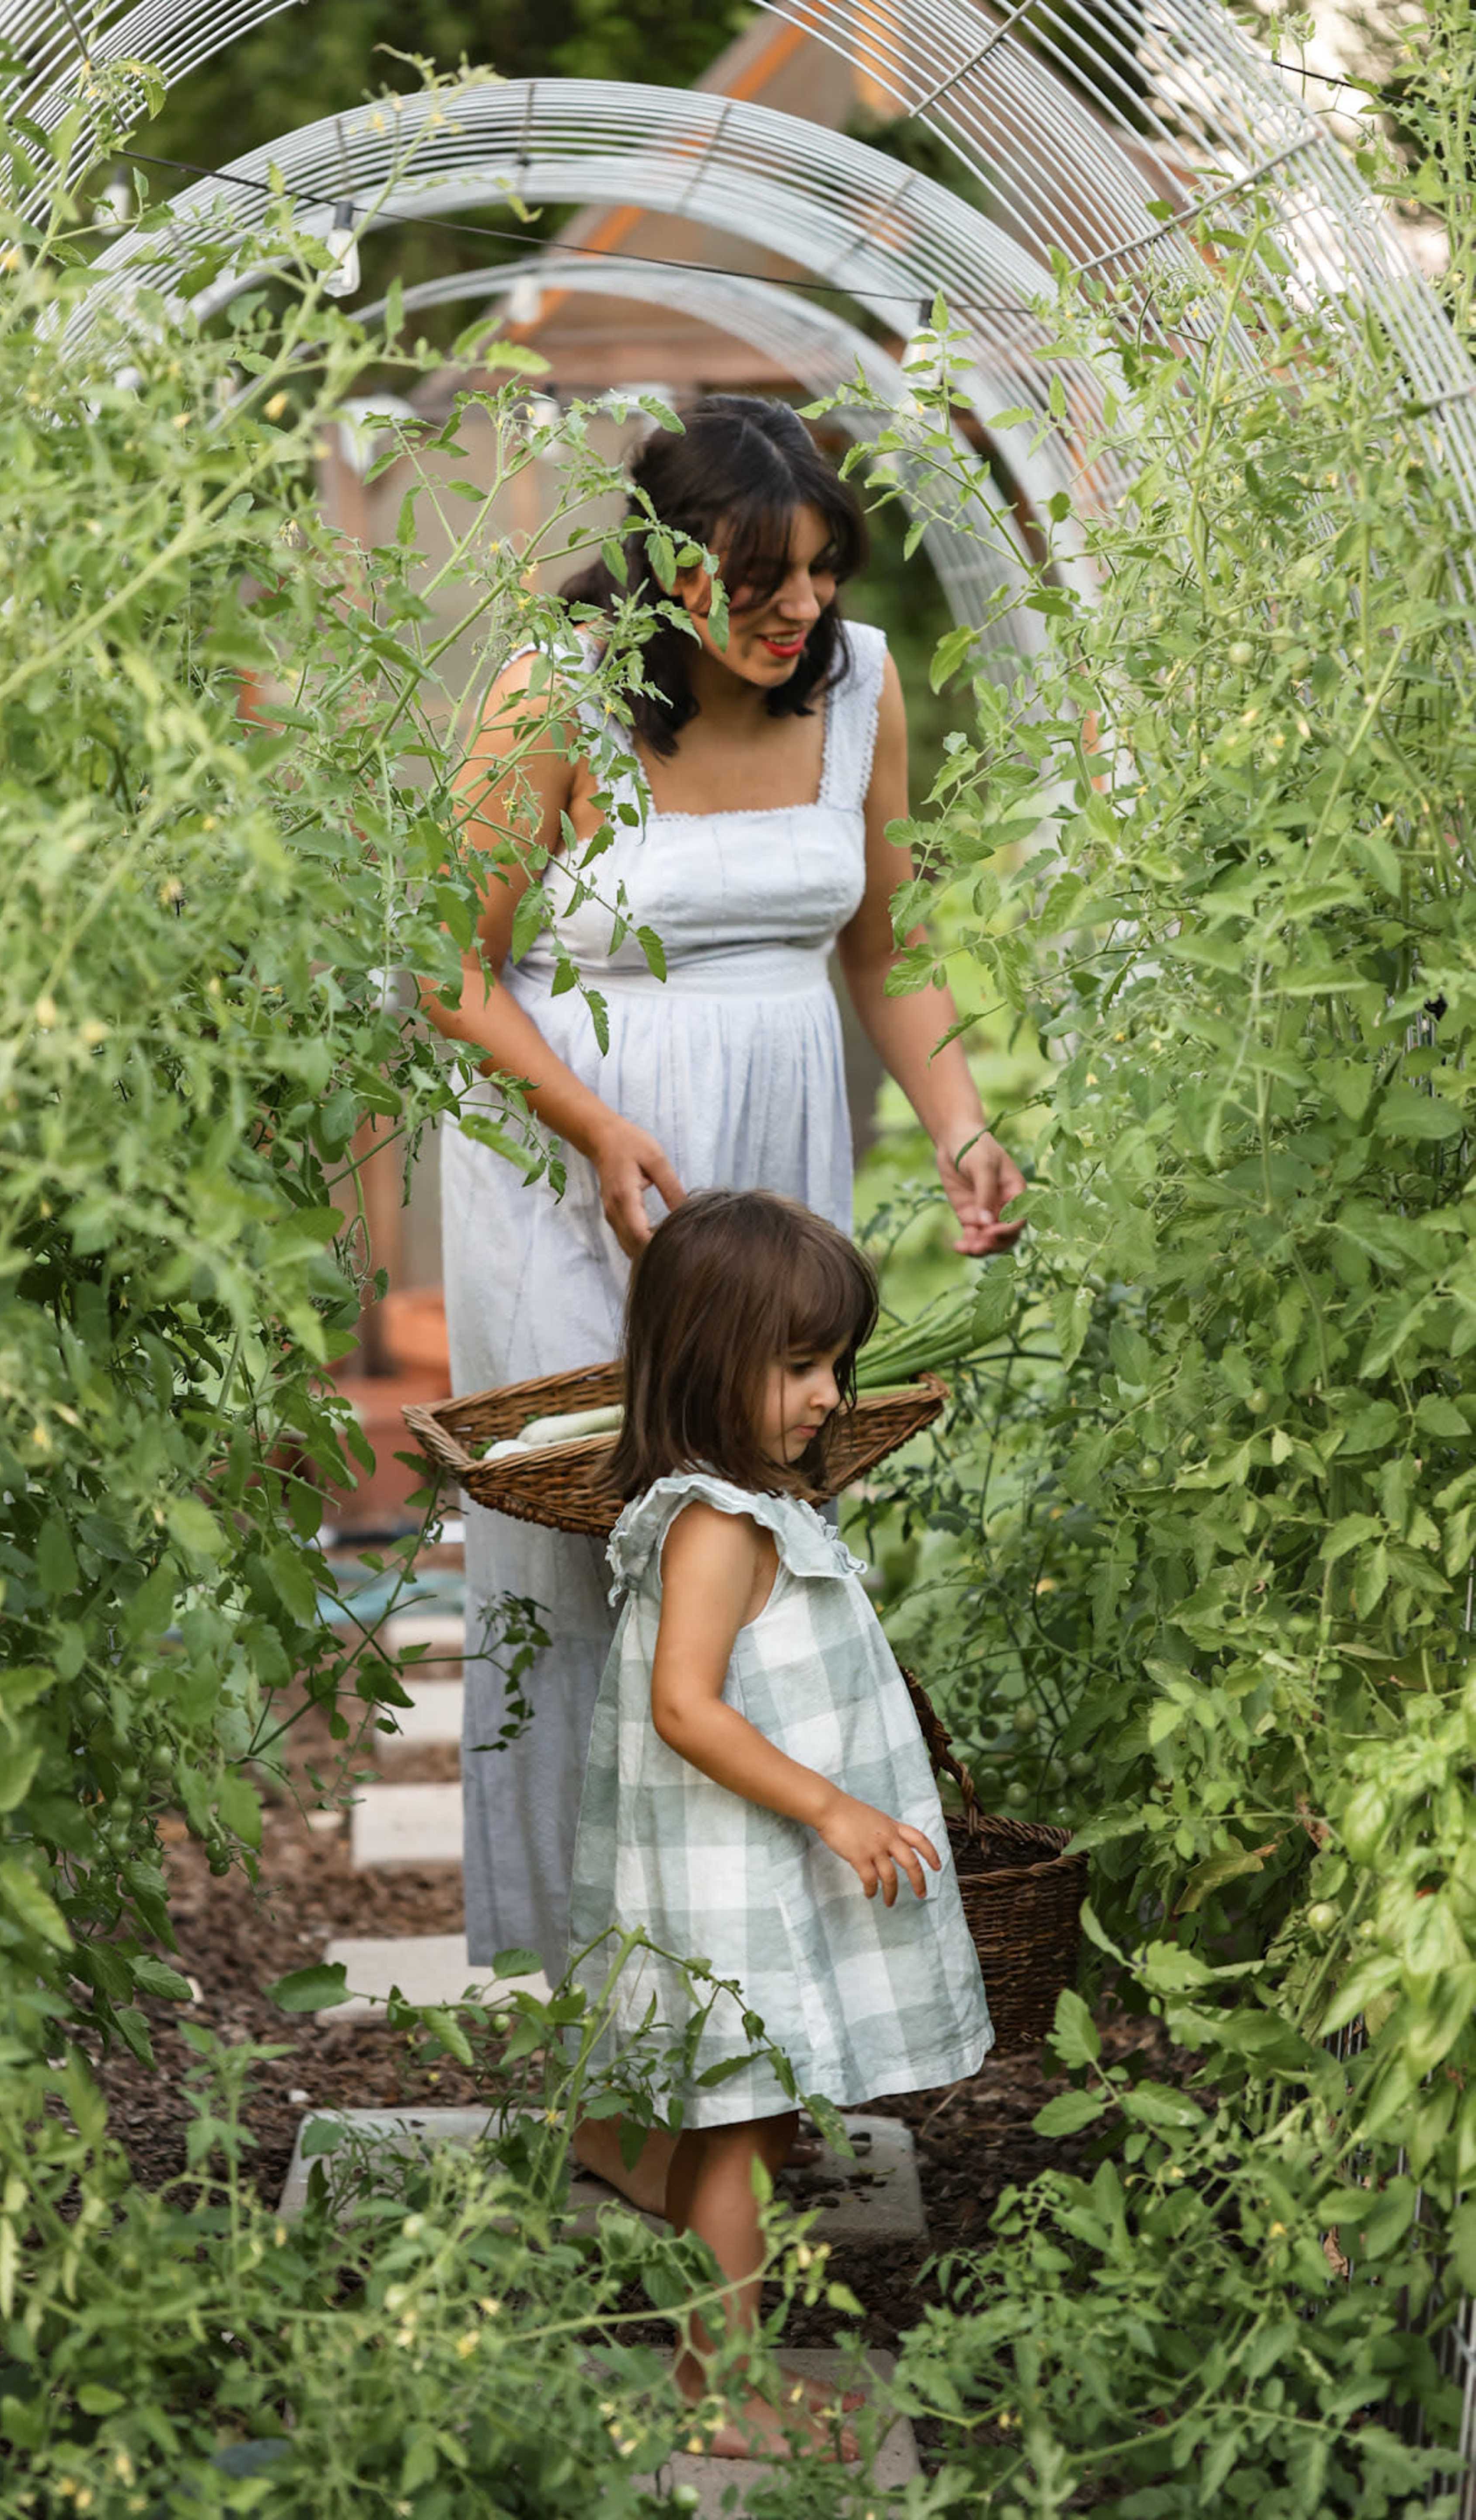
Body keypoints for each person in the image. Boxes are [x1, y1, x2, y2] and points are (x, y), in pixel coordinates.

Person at [422, 395, 1021, 2209]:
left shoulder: (860, 688)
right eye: (759, 582)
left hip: (768, 1194)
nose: (796, 614)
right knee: (581, 1570)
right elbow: (446, 962)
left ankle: (747, 2025)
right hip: (579, 1174)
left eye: (822, 573)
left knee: (745, 1577)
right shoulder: (558, 689)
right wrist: (598, 1125)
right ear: (668, 564)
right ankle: (615, 2056)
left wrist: (963, 1122)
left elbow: (885, 942)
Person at [569, 1190, 993, 2459]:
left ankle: (720, 2355)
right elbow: (687, 1707)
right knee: (744, 2127)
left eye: (835, 1364)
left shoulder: (740, 1500)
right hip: (734, 1872)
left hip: (741, 1865)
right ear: (710, 1363)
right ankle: (720, 2390)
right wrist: (831, 1802)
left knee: (748, 2118)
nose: (826, 1393)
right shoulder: (714, 1523)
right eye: (798, 1364)